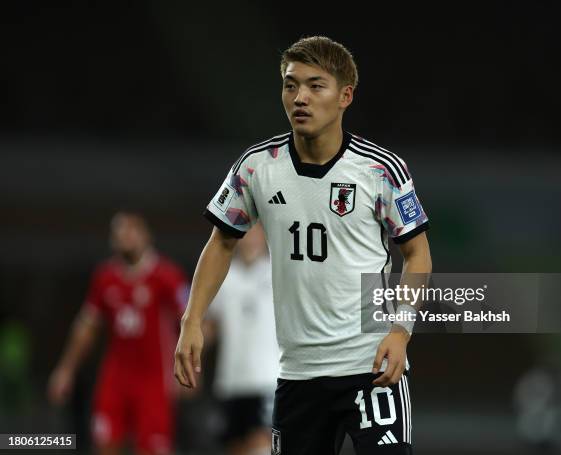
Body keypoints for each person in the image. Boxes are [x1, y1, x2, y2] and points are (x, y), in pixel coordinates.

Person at [175, 36, 432, 455]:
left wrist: (401, 330)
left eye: (316, 86)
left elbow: (417, 253)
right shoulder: (257, 167)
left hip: (371, 366)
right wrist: (192, 321)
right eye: (290, 85)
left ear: (345, 95)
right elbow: (222, 242)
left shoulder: (379, 170)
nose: (300, 98)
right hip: (298, 375)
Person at [48, 212, 189, 455]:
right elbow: (87, 327)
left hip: (154, 380)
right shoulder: (104, 278)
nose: (126, 236)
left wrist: (190, 367)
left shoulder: (167, 276)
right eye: (120, 231)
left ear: (146, 236)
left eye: (132, 230)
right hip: (115, 379)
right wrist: (66, 369)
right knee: (104, 444)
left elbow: (192, 321)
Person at [204, 223, 278, 455]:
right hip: (231, 381)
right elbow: (211, 325)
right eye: (245, 231)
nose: (250, 237)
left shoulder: (277, 272)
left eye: (255, 231)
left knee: (263, 446)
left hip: (267, 378)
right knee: (234, 447)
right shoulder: (224, 276)